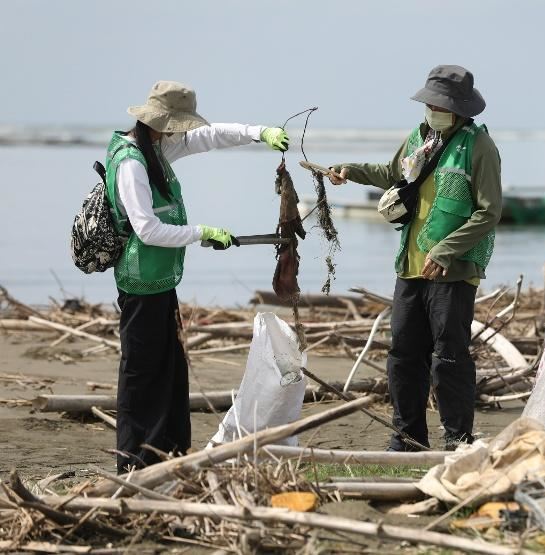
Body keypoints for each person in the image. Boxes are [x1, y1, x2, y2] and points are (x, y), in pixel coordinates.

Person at [106, 80, 289, 473]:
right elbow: (147, 230)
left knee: (170, 370)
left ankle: (169, 453)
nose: (181, 133)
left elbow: (208, 137)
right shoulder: (132, 161)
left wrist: (260, 133)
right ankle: (137, 463)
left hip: (162, 280)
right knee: (142, 375)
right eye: (177, 124)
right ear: (162, 122)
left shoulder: (154, 147)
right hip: (141, 283)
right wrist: (201, 233)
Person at [328, 65, 502, 451]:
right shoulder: (419, 138)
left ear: (459, 109)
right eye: (429, 104)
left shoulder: (480, 147)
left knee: (449, 357)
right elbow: (392, 173)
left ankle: (458, 440)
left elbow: (489, 212)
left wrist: (445, 250)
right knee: (403, 355)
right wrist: (350, 171)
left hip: (453, 271)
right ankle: (408, 438)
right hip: (410, 267)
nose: (432, 111)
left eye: (439, 105)